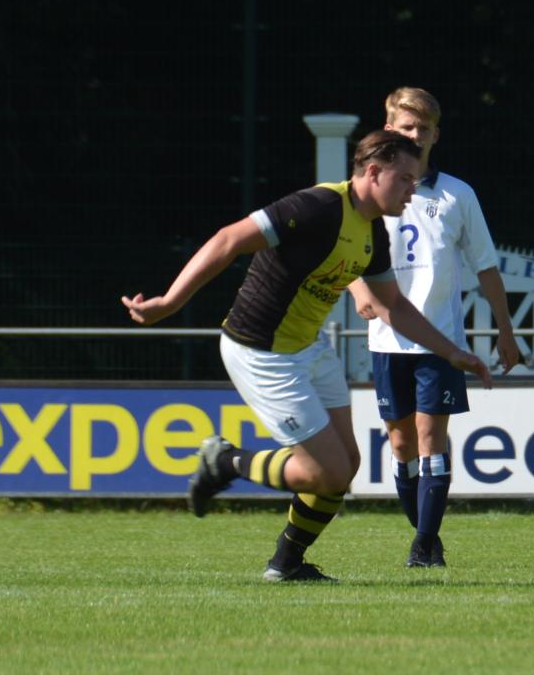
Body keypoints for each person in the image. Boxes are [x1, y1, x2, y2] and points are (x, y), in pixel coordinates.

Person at [121, 130, 492, 582]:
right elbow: (227, 239)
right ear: (373, 172)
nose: (412, 191)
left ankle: (287, 563)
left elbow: (392, 306)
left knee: (346, 467)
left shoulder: (373, 232)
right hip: (262, 350)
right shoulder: (316, 206)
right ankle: (224, 462)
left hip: (309, 346)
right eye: (406, 179)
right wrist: (170, 302)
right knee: (325, 471)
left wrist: (454, 353)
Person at [347, 87, 520, 568]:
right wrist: (360, 291)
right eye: (406, 127)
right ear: (388, 128)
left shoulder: (457, 195)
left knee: (430, 438)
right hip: (386, 338)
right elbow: (344, 253)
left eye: (423, 128)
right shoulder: (368, 187)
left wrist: (505, 331)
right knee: (399, 444)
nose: (415, 135)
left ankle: (423, 544)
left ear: (436, 135)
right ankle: (426, 534)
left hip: (440, 341)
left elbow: (486, 267)